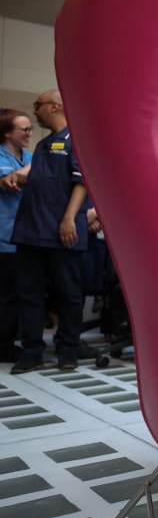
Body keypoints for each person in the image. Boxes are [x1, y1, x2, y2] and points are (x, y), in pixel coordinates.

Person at [5, 90, 91, 373]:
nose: (35, 111)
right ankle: (32, 351)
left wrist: (69, 218)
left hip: (63, 231)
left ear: (53, 106)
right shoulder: (43, 146)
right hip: (31, 231)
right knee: (29, 294)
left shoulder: (76, 139)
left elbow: (82, 182)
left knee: (69, 294)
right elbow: (35, 176)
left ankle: (68, 348)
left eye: (37, 106)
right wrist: (13, 177)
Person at [0, 108, 33, 362]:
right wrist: (41, 160)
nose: (29, 133)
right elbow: (11, 182)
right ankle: (4, 345)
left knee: (19, 294)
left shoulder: (30, 157)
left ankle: (11, 340)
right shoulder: (1, 156)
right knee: (6, 295)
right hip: (4, 237)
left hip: (24, 237)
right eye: (24, 129)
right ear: (8, 133)